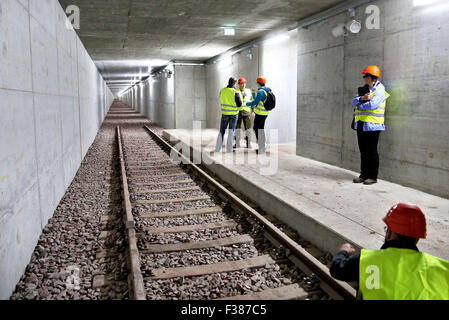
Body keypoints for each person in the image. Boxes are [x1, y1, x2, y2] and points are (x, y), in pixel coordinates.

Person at [330, 203, 449, 300]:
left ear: (389, 233)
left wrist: (343, 251)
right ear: (417, 238)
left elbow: (337, 269)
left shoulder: (366, 260)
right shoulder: (443, 268)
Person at [351, 65, 390, 185]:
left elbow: (372, 105)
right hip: (361, 124)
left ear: (372, 77)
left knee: (372, 151)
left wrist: (360, 103)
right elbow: (353, 101)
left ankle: (373, 177)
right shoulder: (364, 89)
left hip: (373, 126)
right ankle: (363, 175)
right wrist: (362, 98)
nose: (363, 78)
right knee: (363, 151)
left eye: (365, 76)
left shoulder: (380, 91)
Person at [215, 77, 242, 153]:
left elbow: (221, 99)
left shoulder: (222, 90)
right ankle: (229, 149)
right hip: (233, 114)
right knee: (231, 131)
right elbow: (239, 104)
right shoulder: (235, 92)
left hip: (224, 113)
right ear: (234, 83)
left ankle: (217, 148)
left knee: (221, 131)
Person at [245, 77, 271, 154]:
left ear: (258, 83)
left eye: (256, 82)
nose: (256, 83)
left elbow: (255, 102)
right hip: (264, 113)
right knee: (260, 129)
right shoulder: (265, 90)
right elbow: (257, 99)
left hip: (260, 114)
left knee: (256, 129)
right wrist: (253, 93)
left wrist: (247, 104)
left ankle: (261, 147)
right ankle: (262, 146)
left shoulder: (261, 92)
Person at [234, 77, 253, 149]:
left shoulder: (248, 91)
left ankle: (248, 143)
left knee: (248, 129)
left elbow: (252, 101)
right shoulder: (236, 91)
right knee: (237, 128)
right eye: (241, 83)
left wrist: (253, 111)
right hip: (238, 112)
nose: (243, 85)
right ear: (239, 84)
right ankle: (237, 143)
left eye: (244, 83)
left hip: (246, 112)